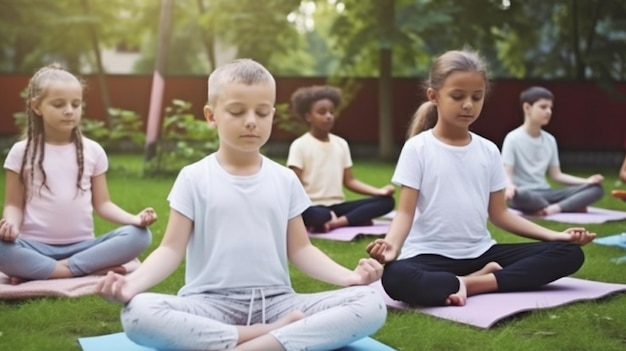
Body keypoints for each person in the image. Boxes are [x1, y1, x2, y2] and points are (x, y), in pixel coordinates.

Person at [96, 59, 386, 351]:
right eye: (237, 111)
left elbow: (301, 249)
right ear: (212, 115)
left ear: (272, 115)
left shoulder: (284, 179)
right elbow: (171, 249)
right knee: (138, 313)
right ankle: (268, 337)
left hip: (278, 302)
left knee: (370, 303)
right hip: (208, 304)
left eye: (262, 112)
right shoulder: (194, 177)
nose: (251, 121)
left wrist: (350, 277)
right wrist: (131, 286)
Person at [366, 49, 596, 307]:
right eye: (457, 96)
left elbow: (500, 214)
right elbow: (405, 213)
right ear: (434, 96)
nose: (468, 105)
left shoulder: (488, 150)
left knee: (569, 254)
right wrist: (391, 246)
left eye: (477, 97)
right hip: (428, 255)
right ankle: (474, 280)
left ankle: (472, 283)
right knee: (397, 278)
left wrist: (556, 237)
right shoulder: (418, 148)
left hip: (482, 252)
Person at [0, 64, 155, 285]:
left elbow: (103, 205)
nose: (69, 110)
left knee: (140, 236)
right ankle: (85, 269)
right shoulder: (20, 152)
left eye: (76, 104)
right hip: (34, 246)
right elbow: (13, 204)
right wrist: (11, 227)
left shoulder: (93, 151)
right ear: (36, 106)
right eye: (58, 104)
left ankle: (45, 271)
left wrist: (135, 219)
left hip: (83, 247)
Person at [286, 85, 395, 233]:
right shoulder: (299, 145)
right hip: (312, 208)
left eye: (331, 112)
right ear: (308, 116)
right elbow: (293, 186)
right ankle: (351, 219)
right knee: (315, 215)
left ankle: (335, 223)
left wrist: (379, 191)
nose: (329, 116)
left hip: (338, 207)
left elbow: (350, 181)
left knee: (387, 202)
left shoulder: (341, 144)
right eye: (322, 112)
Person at [501, 86, 604, 216]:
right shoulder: (512, 138)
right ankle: (567, 205)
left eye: (550, 108)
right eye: (543, 107)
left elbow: (557, 175)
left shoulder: (550, 140)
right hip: (524, 193)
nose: (548, 112)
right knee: (521, 195)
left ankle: (553, 208)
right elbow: (506, 174)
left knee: (596, 189)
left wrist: (586, 181)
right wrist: (510, 187)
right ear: (527, 108)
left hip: (547, 192)